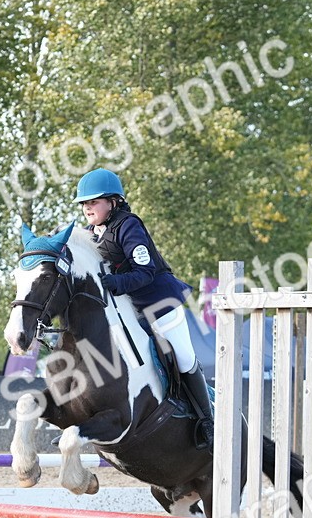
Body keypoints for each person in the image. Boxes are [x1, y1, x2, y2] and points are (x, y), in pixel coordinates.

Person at [75, 168, 213, 449]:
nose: (88, 207)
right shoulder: (90, 234)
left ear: (113, 202)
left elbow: (145, 272)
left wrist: (112, 282)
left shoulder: (129, 226)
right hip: (128, 312)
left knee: (184, 359)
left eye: (94, 202)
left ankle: (208, 422)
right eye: (85, 203)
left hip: (159, 304)